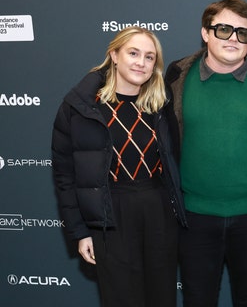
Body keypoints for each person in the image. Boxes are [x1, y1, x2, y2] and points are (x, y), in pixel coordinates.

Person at [51, 26, 187, 307]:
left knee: (162, 298)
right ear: (114, 55)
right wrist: (80, 231)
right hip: (109, 216)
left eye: (149, 57)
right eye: (133, 53)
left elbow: (174, 162)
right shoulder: (81, 107)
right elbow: (65, 176)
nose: (141, 62)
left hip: (158, 212)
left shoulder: (160, 104)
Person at [164, 0, 247, 307]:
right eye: (224, 30)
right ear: (205, 33)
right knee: (198, 300)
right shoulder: (177, 76)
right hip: (194, 218)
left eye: (243, 33)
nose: (233, 39)